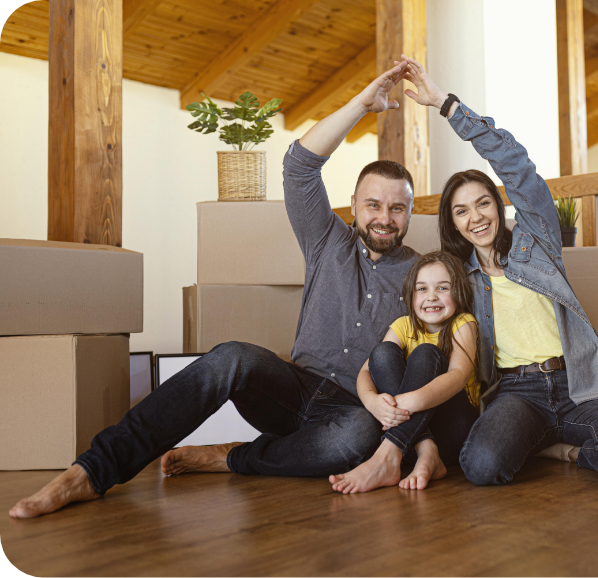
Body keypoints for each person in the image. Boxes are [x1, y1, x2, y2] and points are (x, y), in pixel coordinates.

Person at [9, 60, 422, 519]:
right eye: (373, 204)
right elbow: (299, 165)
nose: (385, 217)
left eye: (397, 208)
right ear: (355, 207)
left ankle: (230, 457)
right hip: (291, 389)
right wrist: (361, 105)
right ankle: (90, 472)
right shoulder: (328, 239)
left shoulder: (423, 273)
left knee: (356, 440)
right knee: (230, 356)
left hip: (353, 411)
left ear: (408, 214)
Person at [398, 56, 598, 485]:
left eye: (483, 203)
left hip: (579, 383)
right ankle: (542, 442)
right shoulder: (459, 278)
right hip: (518, 394)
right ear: (453, 223)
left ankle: (562, 452)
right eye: (461, 211)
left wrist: (446, 105)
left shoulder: (537, 243)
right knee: (480, 466)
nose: (475, 217)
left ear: (498, 207)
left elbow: (516, 165)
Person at [330, 251, 480, 494]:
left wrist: (411, 401)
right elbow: (365, 372)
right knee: (382, 352)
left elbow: (458, 376)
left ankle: (388, 455)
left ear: (458, 292)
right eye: (422, 289)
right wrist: (373, 402)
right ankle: (426, 451)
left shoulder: (463, 323)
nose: (431, 297)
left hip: (455, 433)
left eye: (442, 288)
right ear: (410, 296)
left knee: (425, 353)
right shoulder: (403, 325)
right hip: (412, 434)